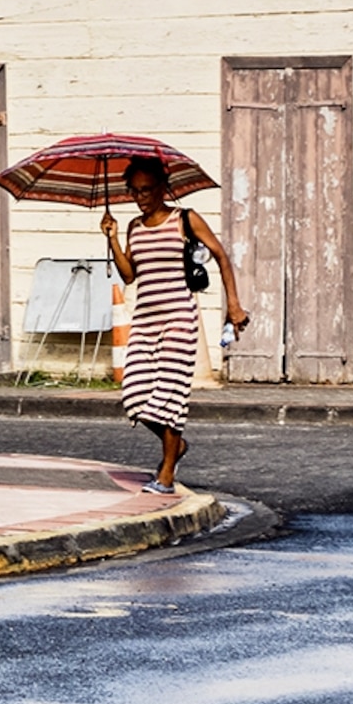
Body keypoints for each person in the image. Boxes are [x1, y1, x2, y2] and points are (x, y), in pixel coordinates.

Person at [99, 156, 248, 494]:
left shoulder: (185, 219)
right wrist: (112, 238)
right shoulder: (135, 227)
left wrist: (234, 305)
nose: (141, 197)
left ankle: (166, 474)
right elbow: (129, 274)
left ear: (163, 187)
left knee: (169, 394)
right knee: (134, 395)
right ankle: (176, 446)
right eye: (135, 191)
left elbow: (221, 256)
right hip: (146, 320)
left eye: (147, 190)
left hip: (179, 317)